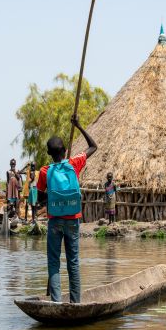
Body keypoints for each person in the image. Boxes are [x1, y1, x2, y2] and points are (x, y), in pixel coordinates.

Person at [37, 115, 97, 303]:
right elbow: (93, 146)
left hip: (55, 220)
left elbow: (40, 199)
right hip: (73, 219)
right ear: (64, 150)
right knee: (73, 262)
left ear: (49, 153)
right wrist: (79, 126)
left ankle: (56, 302)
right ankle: (75, 303)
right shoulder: (74, 163)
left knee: (54, 262)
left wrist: (52, 197)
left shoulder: (45, 171)